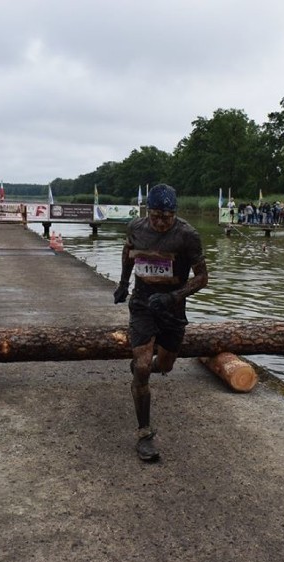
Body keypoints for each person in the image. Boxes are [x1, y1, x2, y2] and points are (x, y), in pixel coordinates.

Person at [112, 184, 209, 461]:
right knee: (142, 367)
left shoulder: (187, 235)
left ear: (174, 213)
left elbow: (202, 278)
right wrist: (122, 284)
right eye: (155, 215)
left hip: (172, 307)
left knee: (165, 365)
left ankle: (143, 369)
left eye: (166, 217)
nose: (160, 222)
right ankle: (144, 433)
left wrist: (173, 297)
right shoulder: (137, 227)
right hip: (142, 303)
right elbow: (128, 250)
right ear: (148, 211)